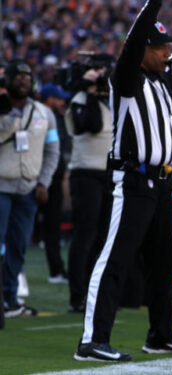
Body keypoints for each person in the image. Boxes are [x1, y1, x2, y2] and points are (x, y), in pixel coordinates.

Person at [74, 0, 172, 362]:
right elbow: (133, 41)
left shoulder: (164, 78)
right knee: (114, 258)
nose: (167, 51)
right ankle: (92, 341)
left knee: (164, 262)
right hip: (132, 181)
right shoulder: (126, 78)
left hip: (161, 184)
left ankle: (161, 335)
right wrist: (155, 3)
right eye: (159, 47)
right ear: (142, 49)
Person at [1, 59, 60, 318]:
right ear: (8, 80)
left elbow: (53, 150)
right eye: (18, 76)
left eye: (28, 75)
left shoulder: (44, 113)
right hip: (1, 186)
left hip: (29, 190)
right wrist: (8, 118)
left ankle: (10, 299)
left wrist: (44, 181)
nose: (23, 80)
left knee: (18, 245)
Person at [64, 66, 114, 313]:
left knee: (103, 238)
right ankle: (77, 295)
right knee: (85, 236)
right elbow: (92, 126)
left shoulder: (108, 103)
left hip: (107, 175)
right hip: (85, 174)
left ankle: (95, 294)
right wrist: (90, 91)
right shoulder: (79, 100)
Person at [38, 82, 71, 284]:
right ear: (49, 99)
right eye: (58, 98)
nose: (62, 102)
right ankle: (55, 270)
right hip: (41, 178)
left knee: (53, 226)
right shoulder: (42, 116)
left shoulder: (56, 117)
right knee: (50, 226)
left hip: (51, 177)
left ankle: (56, 269)